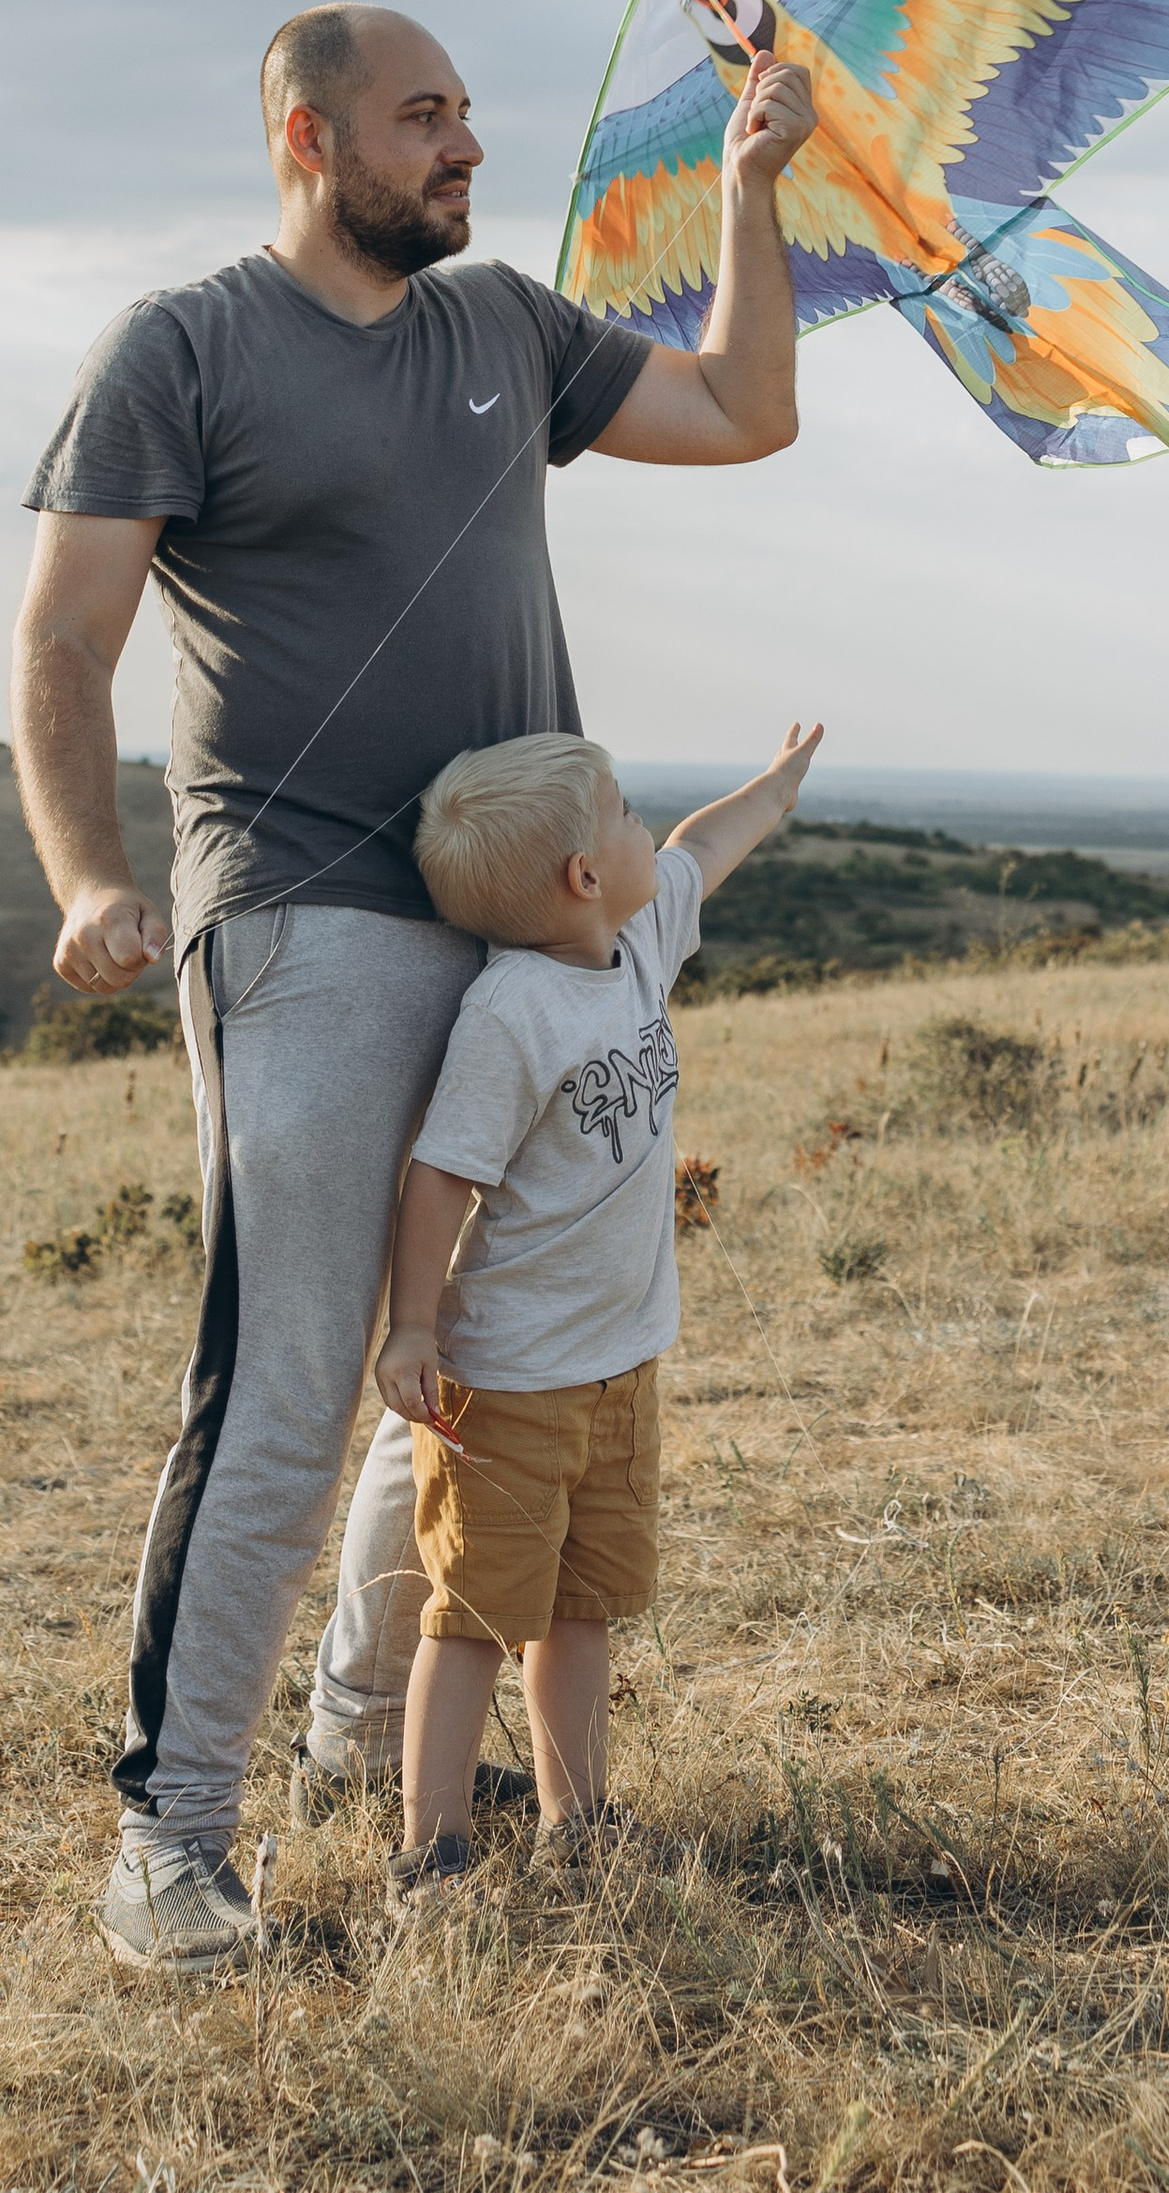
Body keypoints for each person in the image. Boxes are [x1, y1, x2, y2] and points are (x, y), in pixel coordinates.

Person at [9, 0, 814, 1974]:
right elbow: (65, 635)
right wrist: (90, 874)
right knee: (288, 1381)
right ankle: (170, 1854)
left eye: (466, 116)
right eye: (421, 118)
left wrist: (748, 190)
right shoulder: (180, 349)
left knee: (475, 1374)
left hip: (520, 927)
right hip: (303, 919)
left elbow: (742, 412)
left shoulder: (507, 328)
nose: (463, 148)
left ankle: (377, 1750)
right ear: (310, 138)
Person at [376, 719, 820, 1895]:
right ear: (581, 877)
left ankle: (581, 1824)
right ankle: (432, 1853)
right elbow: (441, 1175)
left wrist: (774, 789)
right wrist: (412, 1326)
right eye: (617, 814)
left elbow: (697, 846)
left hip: (622, 1365)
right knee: (471, 1616)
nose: (640, 829)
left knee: (584, 1610)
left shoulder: (633, 941)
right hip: (512, 1378)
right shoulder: (511, 1013)